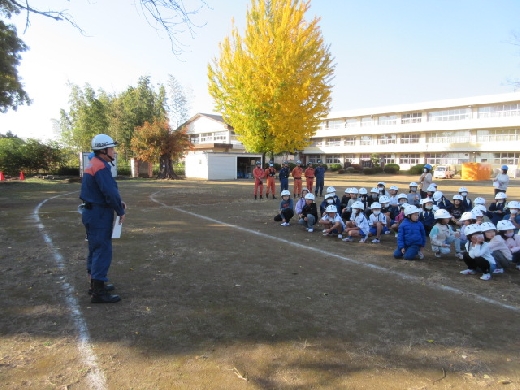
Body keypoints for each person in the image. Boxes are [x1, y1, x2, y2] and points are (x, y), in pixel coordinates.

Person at [80, 134, 125, 303]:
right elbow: (110, 192)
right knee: (102, 250)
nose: (113, 151)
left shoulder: (93, 163)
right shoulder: (101, 167)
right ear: (104, 150)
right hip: (99, 214)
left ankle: (95, 284)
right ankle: (98, 292)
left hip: (92, 212)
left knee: (95, 249)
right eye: (111, 148)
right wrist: (120, 210)